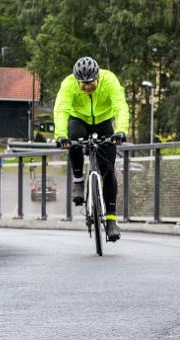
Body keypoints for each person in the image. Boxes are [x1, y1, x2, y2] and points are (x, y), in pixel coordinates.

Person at [54, 56, 130, 242]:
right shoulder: (68, 84)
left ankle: (111, 220)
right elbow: (61, 109)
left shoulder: (110, 80)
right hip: (78, 119)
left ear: (98, 77)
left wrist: (120, 131)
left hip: (103, 122)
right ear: (76, 81)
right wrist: (60, 135)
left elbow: (120, 106)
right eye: (83, 85)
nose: (88, 88)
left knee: (108, 171)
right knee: (74, 139)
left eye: (91, 83)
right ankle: (78, 180)